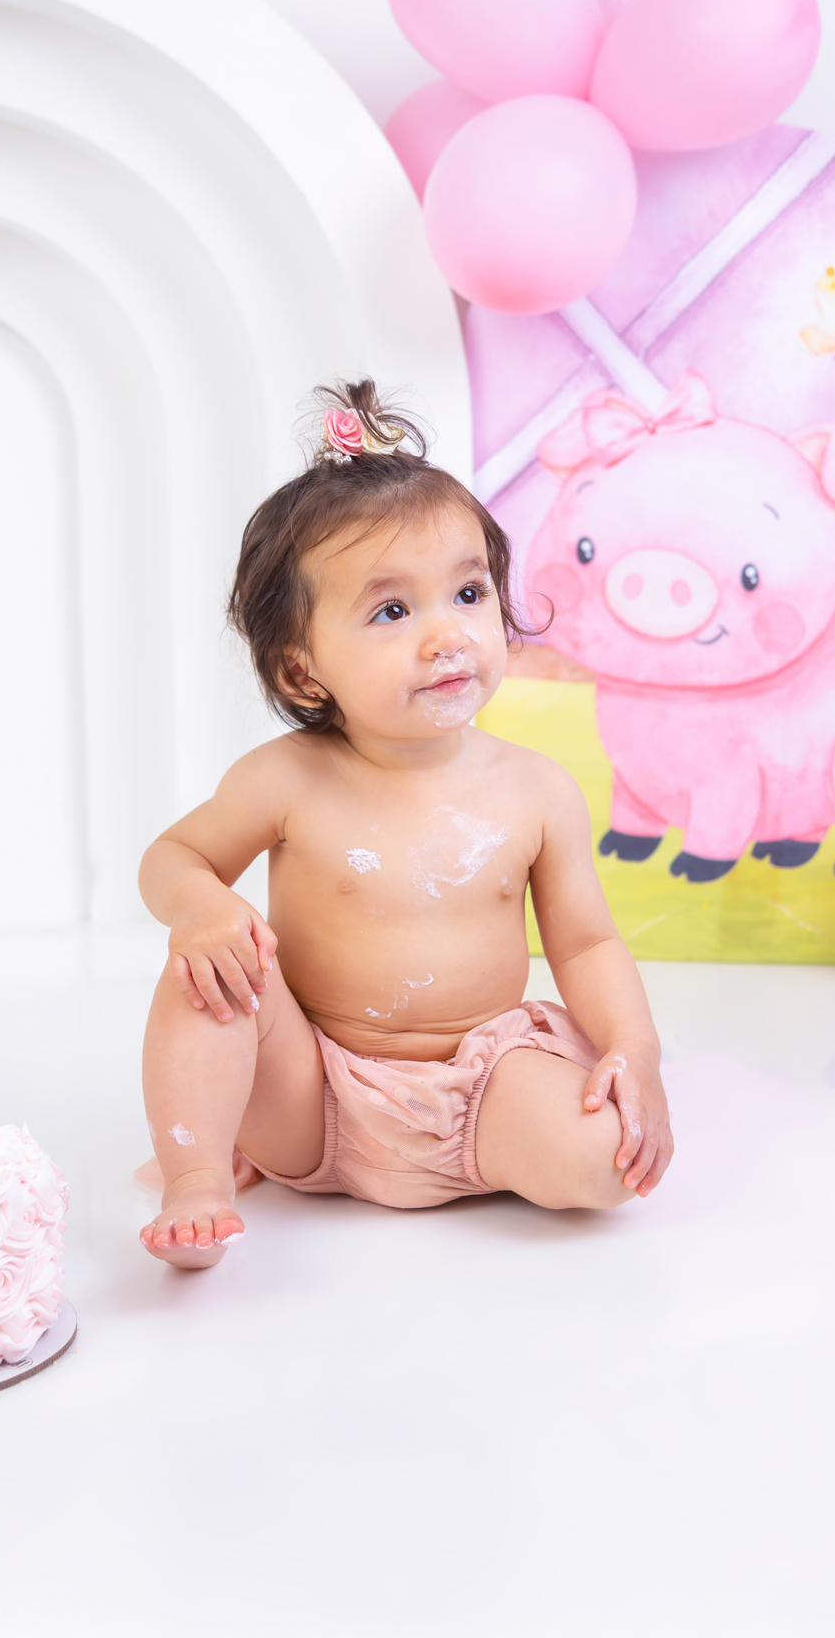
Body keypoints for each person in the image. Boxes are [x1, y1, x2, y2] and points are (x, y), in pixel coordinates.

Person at [137, 380, 673, 1269]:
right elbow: (174, 855)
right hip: (309, 1092)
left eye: (467, 593)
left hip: (482, 1083)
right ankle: (198, 1178)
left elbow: (584, 945)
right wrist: (202, 909)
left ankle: (504, 1151)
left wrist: (634, 1050)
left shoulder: (536, 791)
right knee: (209, 972)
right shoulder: (286, 779)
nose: (446, 636)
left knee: (608, 1162)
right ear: (303, 670)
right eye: (392, 611)